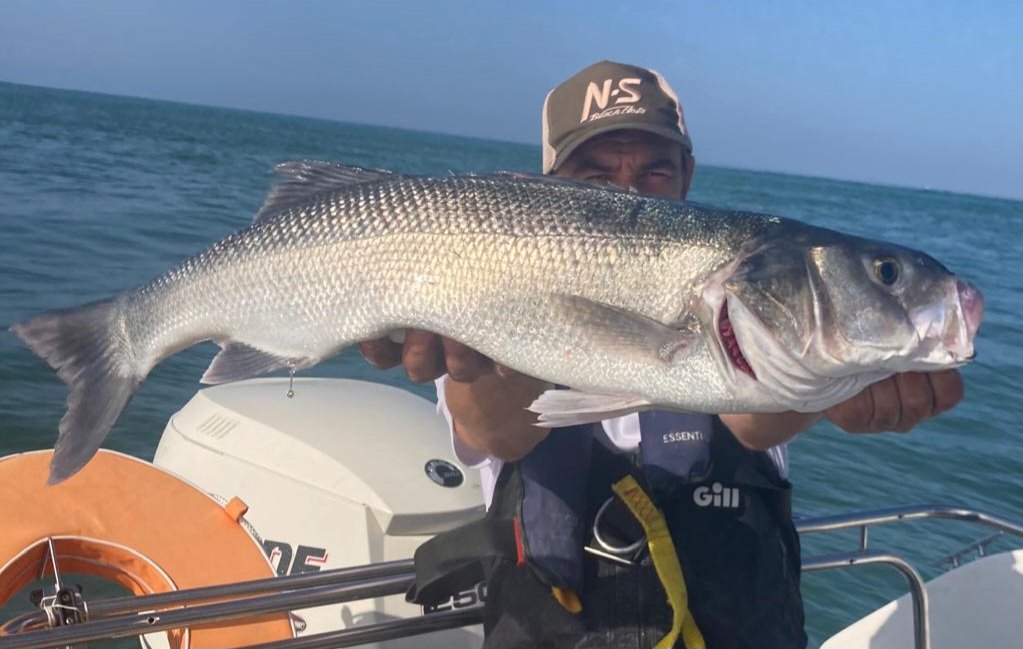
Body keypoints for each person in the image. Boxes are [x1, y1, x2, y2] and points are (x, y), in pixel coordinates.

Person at [361, 60, 965, 648]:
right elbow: (494, 431)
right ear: (547, 182)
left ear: (688, 175)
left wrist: (846, 376)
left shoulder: (744, 312)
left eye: (655, 172)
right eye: (596, 175)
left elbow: (758, 421)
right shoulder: (478, 274)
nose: (628, 190)